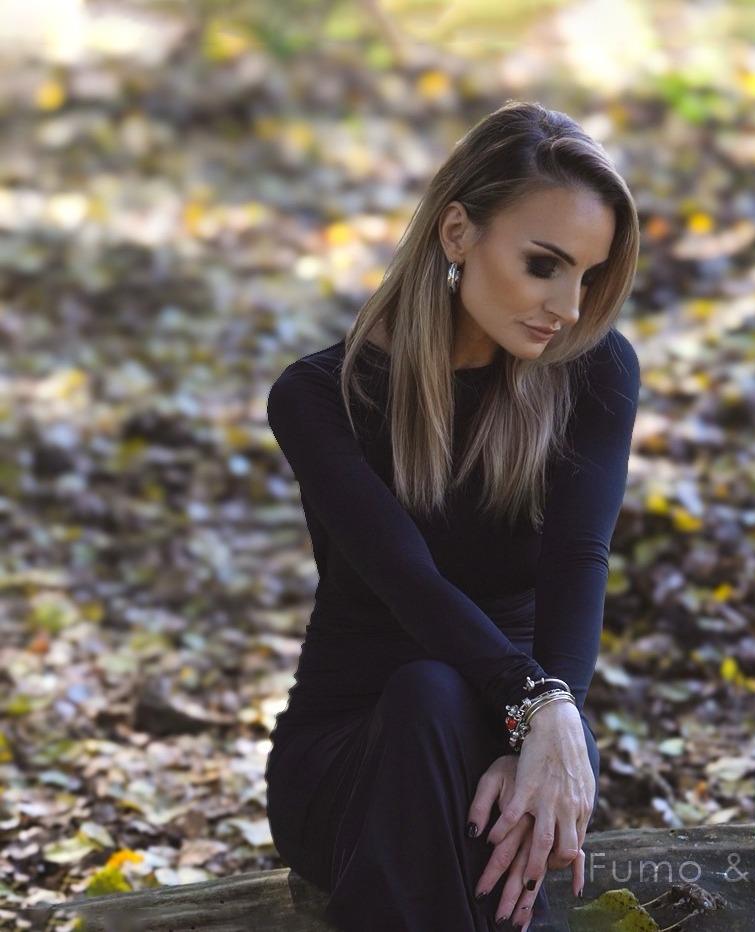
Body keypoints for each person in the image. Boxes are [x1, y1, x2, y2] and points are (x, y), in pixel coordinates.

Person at [263, 99, 640, 931]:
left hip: (521, 733)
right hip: (354, 755)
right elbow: (408, 581)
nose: (569, 306)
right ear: (458, 232)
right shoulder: (319, 397)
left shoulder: (594, 371)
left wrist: (542, 724)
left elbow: (578, 560)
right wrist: (534, 705)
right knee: (429, 693)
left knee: (469, 719)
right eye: (543, 265)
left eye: (588, 276)